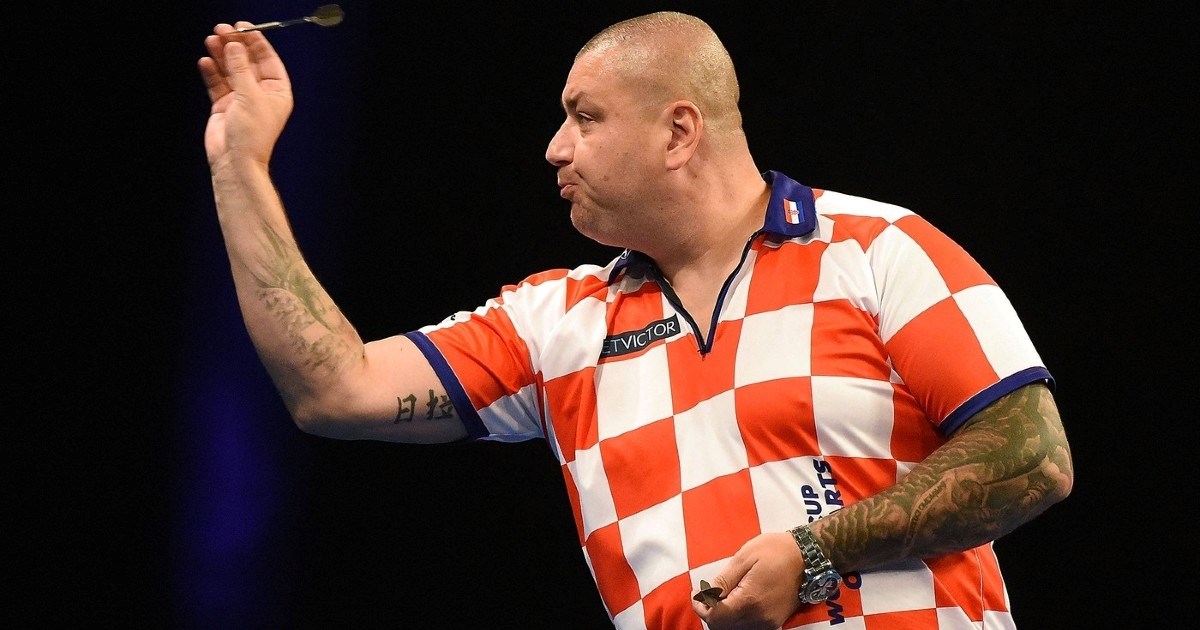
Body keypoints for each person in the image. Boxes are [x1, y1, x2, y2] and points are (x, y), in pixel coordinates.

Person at [199, 10, 1073, 630]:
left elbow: (1034, 456)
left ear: (679, 133)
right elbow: (334, 387)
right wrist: (239, 164)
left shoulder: (878, 249)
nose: (555, 148)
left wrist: (816, 551)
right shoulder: (556, 325)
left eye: (585, 117)